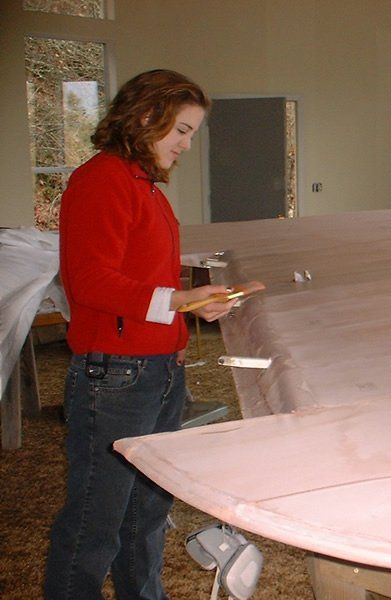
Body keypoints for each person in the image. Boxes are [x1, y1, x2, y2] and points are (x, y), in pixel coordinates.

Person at [44, 69, 236, 599]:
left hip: (156, 370)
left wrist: (190, 313)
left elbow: (145, 279)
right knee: (95, 521)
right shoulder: (102, 179)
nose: (187, 145)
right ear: (147, 116)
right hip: (116, 376)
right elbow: (91, 281)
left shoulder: (142, 185)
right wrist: (178, 302)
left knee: (146, 513)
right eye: (182, 130)